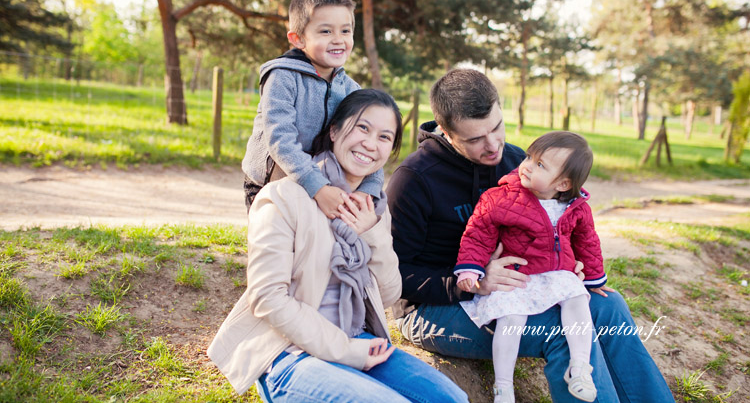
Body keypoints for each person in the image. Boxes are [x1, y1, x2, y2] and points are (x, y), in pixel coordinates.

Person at [386, 69, 675, 402]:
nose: (493, 144)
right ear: (447, 132)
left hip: (518, 290)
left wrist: (564, 260)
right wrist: (472, 282)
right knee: (565, 332)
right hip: (435, 309)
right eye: (475, 139)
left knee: (609, 307)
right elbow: (394, 277)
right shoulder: (414, 179)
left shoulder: (516, 161)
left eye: (496, 127)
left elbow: (557, 221)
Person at [208, 89, 468, 403]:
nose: (371, 144)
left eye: (385, 137)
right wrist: (346, 350)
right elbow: (268, 298)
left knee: (452, 399)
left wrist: (370, 233)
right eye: (363, 128)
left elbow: (387, 295)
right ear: (333, 130)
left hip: (358, 337)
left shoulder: (371, 210)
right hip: (288, 355)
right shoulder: (283, 199)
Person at [455, 131, 605, 402]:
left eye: (540, 165)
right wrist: (470, 267)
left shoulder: (575, 206)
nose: (525, 165)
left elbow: (588, 241)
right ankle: (503, 386)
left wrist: (594, 278)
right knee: (511, 320)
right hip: (517, 276)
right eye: (529, 157)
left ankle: (580, 366)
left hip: (557, 275)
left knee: (578, 300)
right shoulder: (502, 197)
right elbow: (478, 232)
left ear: (562, 183)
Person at [241, 0, 381, 217]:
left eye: (345, 31)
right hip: (272, 182)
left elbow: (371, 142)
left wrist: (368, 188)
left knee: (319, 247)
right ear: (298, 39)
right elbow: (280, 139)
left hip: (325, 181)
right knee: (280, 244)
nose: (338, 39)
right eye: (326, 31)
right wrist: (318, 188)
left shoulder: (351, 89)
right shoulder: (282, 77)